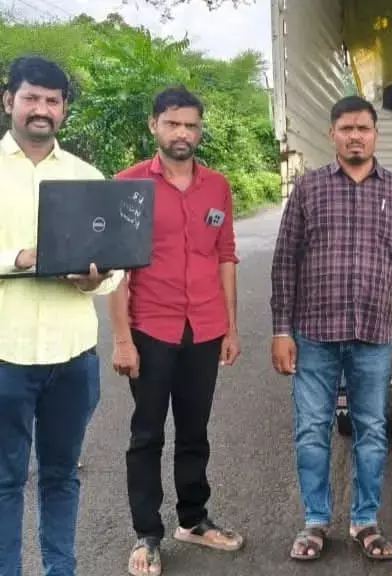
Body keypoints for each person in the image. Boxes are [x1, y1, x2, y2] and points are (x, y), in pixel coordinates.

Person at [270, 95, 392, 563]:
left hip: (373, 334)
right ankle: (315, 521)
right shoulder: (309, 189)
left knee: (372, 431)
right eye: (346, 129)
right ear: (332, 134)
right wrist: (281, 330)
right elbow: (285, 262)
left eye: (363, 128)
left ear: (376, 134)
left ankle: (365, 520)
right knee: (311, 430)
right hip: (315, 332)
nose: (355, 136)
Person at [109, 87, 244, 576]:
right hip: (151, 329)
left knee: (194, 431)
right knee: (146, 434)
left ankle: (193, 519)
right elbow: (116, 269)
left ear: (199, 130)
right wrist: (122, 339)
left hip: (204, 328)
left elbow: (225, 256)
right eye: (173, 123)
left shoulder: (217, 187)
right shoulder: (128, 185)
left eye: (190, 125)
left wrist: (230, 327)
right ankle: (147, 533)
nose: (182, 133)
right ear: (154, 126)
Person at [0, 55, 122, 576]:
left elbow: (116, 264)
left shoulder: (86, 177)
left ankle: (60, 570)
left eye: (52, 100)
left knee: (61, 476)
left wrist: (98, 279)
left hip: (72, 358)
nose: (41, 109)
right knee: (4, 481)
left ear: (64, 109)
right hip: (5, 356)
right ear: (9, 100)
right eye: (31, 97)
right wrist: (20, 258)